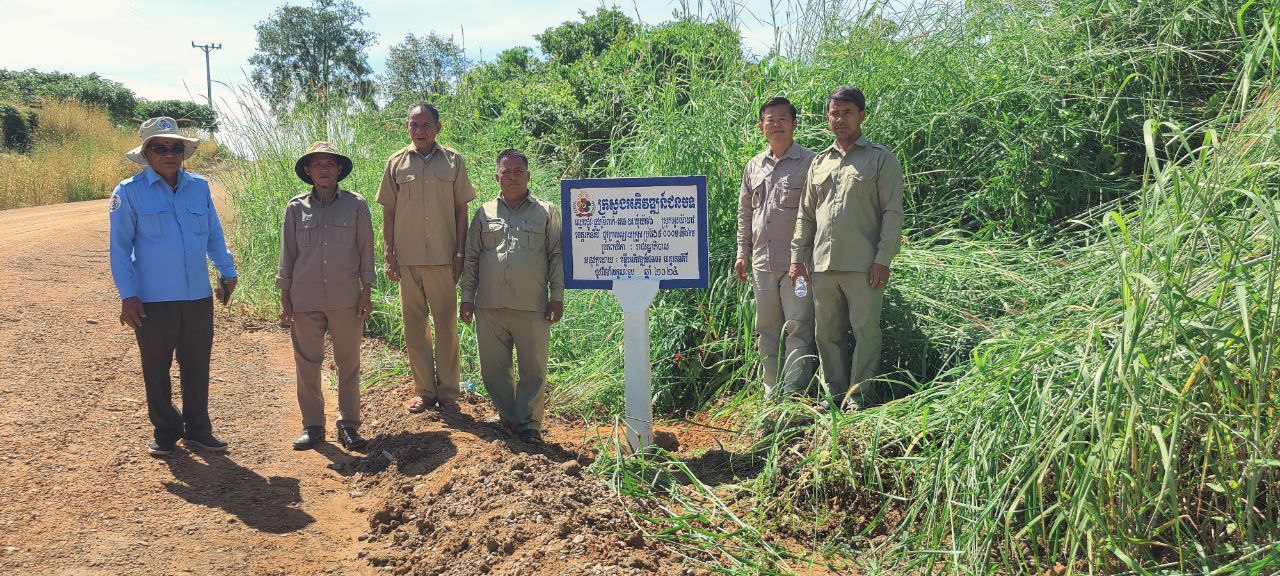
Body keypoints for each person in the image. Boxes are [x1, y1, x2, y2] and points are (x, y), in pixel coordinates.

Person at [108, 116, 237, 456]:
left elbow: (213, 234)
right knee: (156, 365)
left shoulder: (199, 187)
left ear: (183, 152)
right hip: (153, 299)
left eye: (175, 147)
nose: (169, 153)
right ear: (146, 153)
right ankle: (166, 430)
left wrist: (226, 270)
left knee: (197, 364)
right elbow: (120, 249)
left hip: (196, 296)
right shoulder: (128, 193)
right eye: (160, 148)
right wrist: (128, 295)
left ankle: (198, 429)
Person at [789, 87, 904, 410]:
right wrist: (798, 258)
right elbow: (805, 215)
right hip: (823, 265)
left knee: (866, 331)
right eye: (834, 113)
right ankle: (833, 393)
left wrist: (883, 259)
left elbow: (893, 214)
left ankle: (859, 396)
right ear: (828, 117)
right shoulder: (819, 163)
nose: (840, 119)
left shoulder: (881, 159)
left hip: (863, 265)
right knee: (827, 333)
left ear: (862, 115)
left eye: (847, 112)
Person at [376, 101, 476, 415]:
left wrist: (460, 252)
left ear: (438, 128)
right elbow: (388, 212)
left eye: (426, 125)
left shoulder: (454, 162)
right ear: (408, 128)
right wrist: (389, 253)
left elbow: (462, 210)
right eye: (414, 125)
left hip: (444, 259)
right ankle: (424, 391)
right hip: (407, 260)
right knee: (414, 326)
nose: (419, 131)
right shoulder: (396, 163)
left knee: (446, 325)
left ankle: (448, 392)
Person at [458, 149, 564, 444]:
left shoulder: (546, 212)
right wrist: (467, 298)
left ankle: (529, 424)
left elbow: (556, 255)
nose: (512, 177)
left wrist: (557, 296)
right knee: (493, 369)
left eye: (518, 171)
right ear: (497, 177)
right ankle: (508, 418)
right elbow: (472, 258)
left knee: (533, 369)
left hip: (531, 305)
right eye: (506, 172)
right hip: (489, 305)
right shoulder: (484, 213)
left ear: (528, 176)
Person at [276, 142, 374, 452]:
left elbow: (365, 252)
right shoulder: (295, 208)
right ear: (308, 171)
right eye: (317, 165)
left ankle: (348, 425)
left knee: (348, 363)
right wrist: (285, 296)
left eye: (329, 164)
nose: (323, 170)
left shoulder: (356, 206)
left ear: (339, 170)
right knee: (307, 363)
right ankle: (313, 426)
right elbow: (287, 255)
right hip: (305, 300)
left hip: (346, 299)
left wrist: (366, 292)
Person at [734, 97, 817, 400]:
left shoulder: (811, 162)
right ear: (761, 126)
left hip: (798, 265)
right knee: (766, 329)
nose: (777, 124)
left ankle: (795, 393)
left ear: (794, 124)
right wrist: (742, 252)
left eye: (783, 119)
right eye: (770, 119)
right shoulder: (754, 166)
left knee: (797, 328)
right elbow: (745, 213)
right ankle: (772, 392)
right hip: (761, 263)